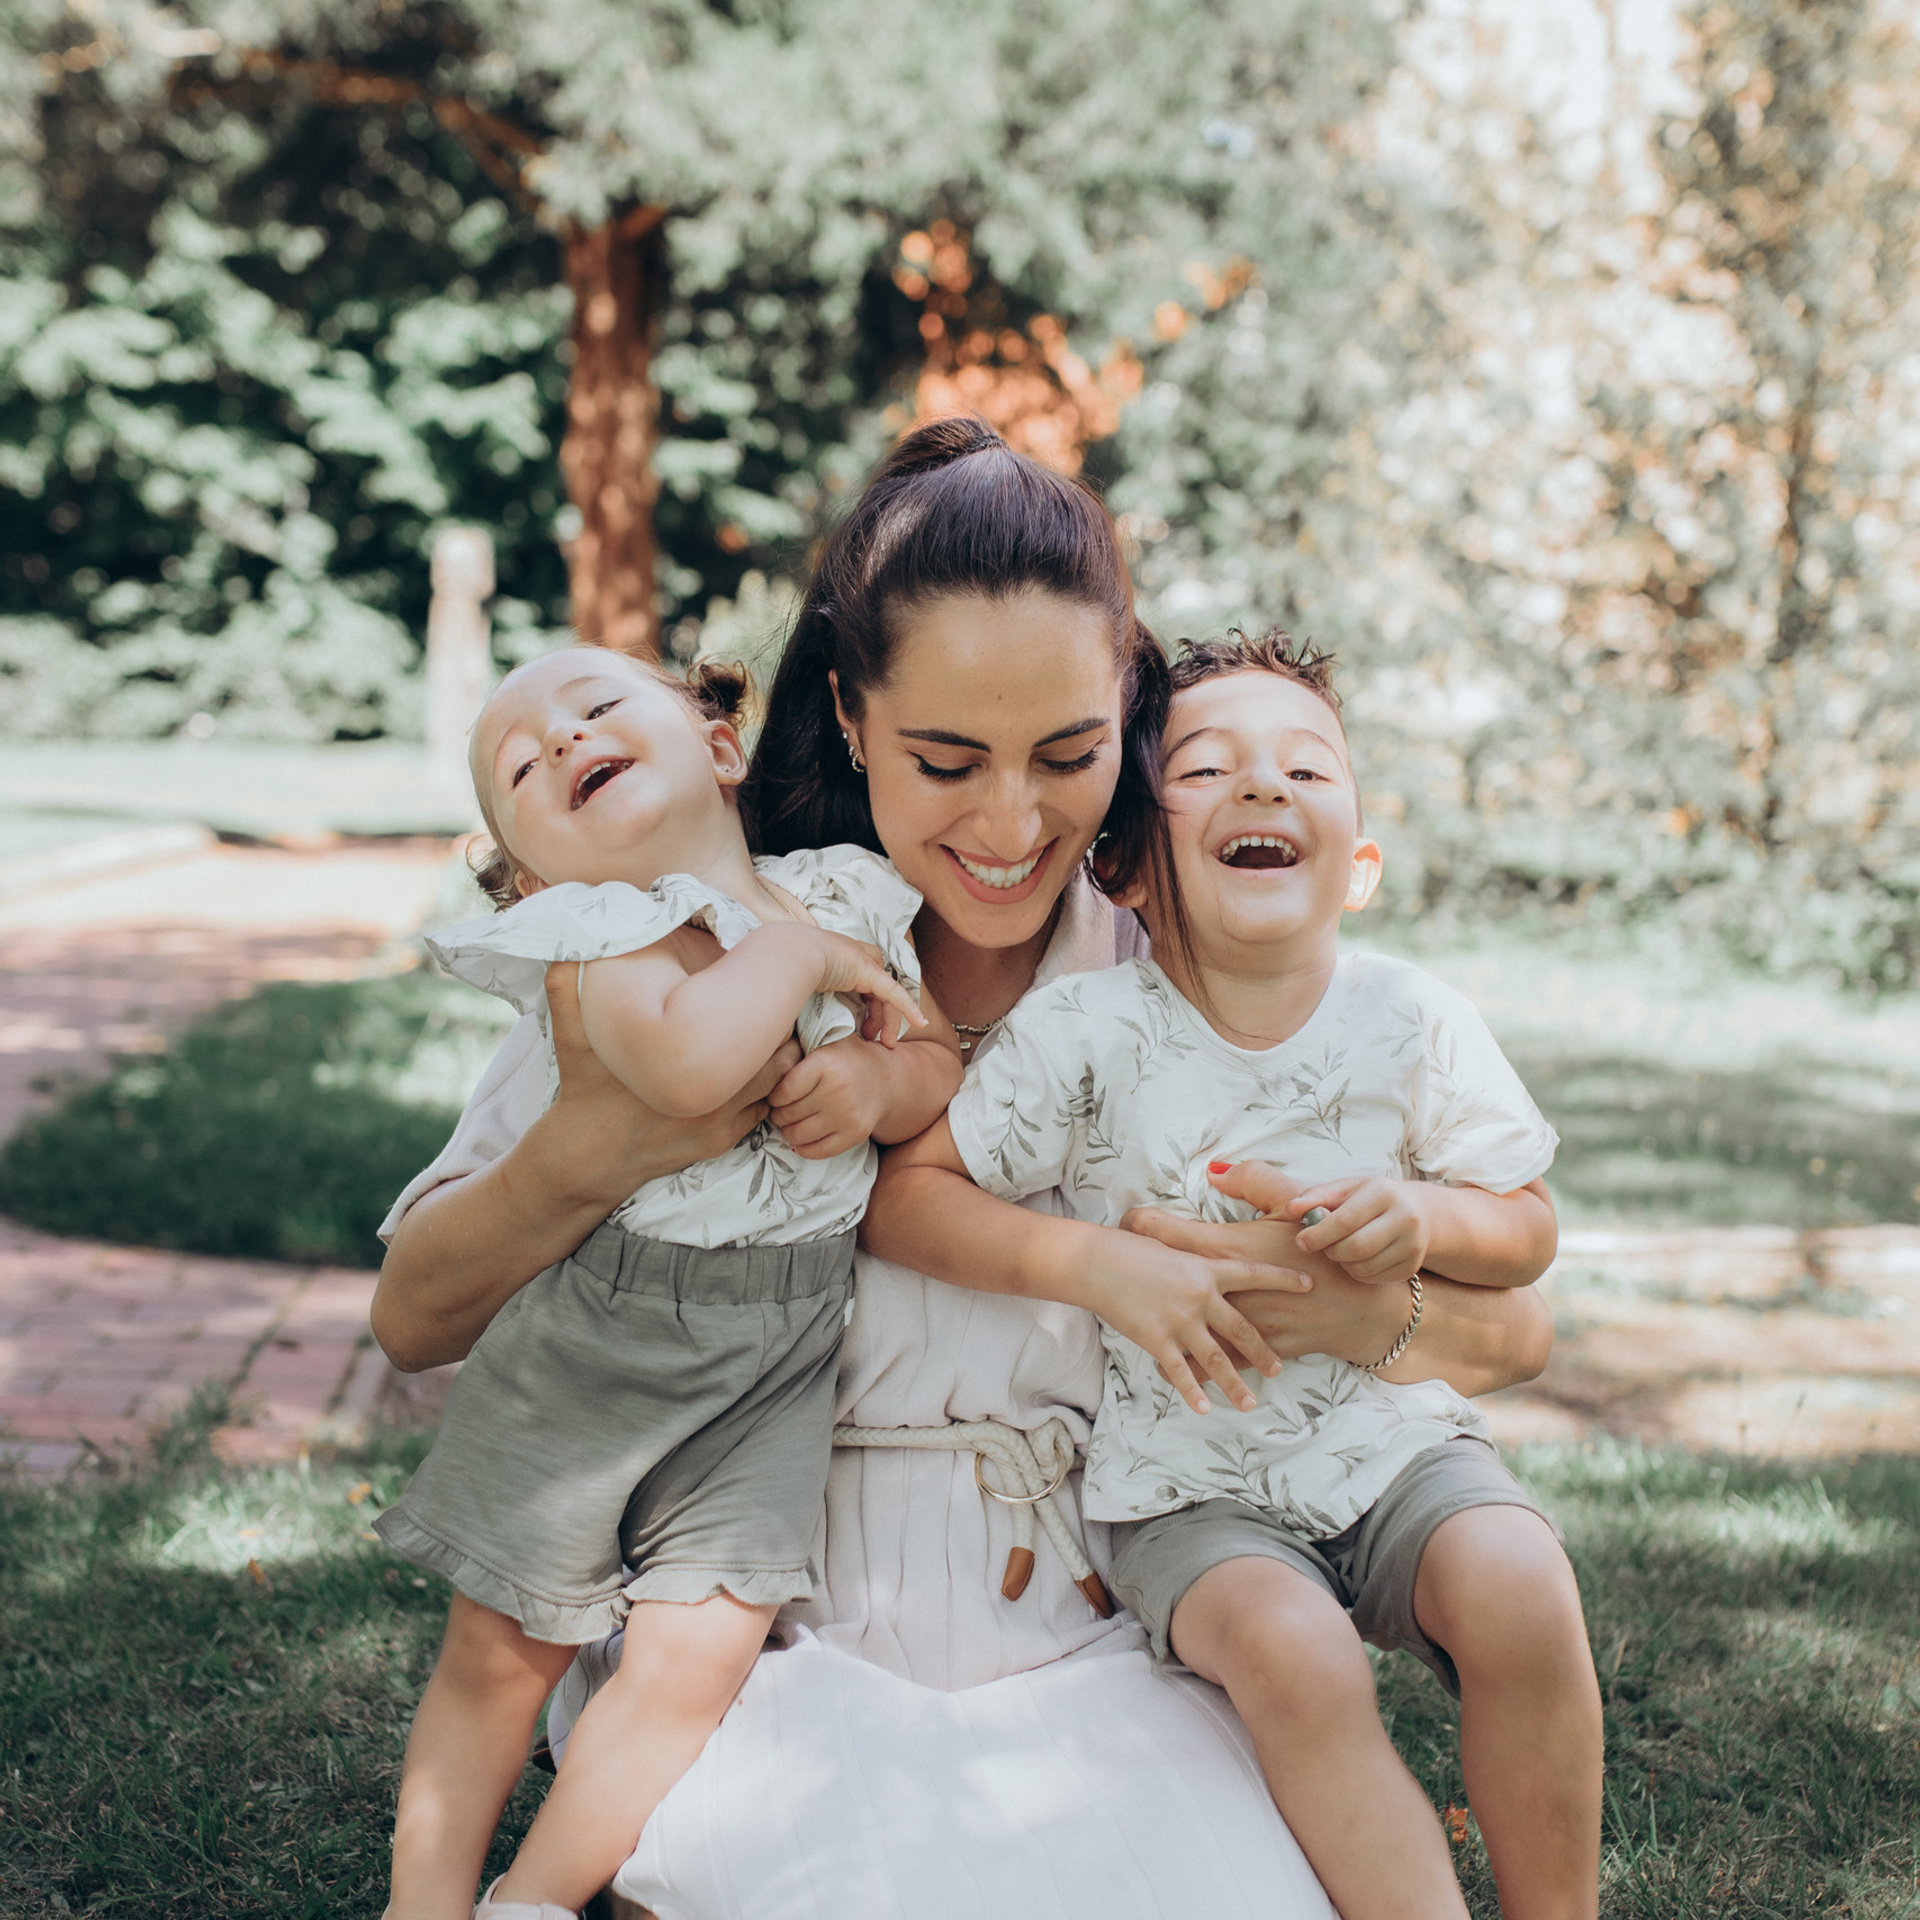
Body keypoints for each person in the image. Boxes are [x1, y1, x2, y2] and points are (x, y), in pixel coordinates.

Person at [372, 415, 1558, 1920]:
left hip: (1104, 1644)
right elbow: (413, 1318)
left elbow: (1517, 1329)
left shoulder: (1182, 972)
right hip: (769, 1650)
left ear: (1123, 714)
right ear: (853, 720)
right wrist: (589, 1152)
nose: (1011, 827)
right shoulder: (679, 947)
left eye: (1066, 758)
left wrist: (1352, 1317)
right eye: (946, 761)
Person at [871, 628, 1604, 1920]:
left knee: (1523, 1587)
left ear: (1360, 865)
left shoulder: (1415, 1020)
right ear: (1130, 865)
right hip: (1188, 1492)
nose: (1264, 788)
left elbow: (1527, 1226)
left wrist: (1420, 1214)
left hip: (1396, 1448)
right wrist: (1091, 1265)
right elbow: (908, 1195)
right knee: (1299, 1653)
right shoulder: (1087, 1035)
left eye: (1308, 774)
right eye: (1207, 770)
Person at [377, 646, 960, 1920]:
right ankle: (420, 1905)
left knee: (701, 1649)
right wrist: (802, 965)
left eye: (595, 707)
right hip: (604, 1338)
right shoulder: (600, 936)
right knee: (503, 1646)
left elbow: (933, 1064)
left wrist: (877, 1083)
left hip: (782, 1350)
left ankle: (534, 1896)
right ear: (528, 876)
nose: (563, 739)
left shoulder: (845, 894)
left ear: (719, 744)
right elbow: (695, 1067)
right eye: (521, 766)